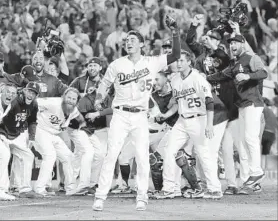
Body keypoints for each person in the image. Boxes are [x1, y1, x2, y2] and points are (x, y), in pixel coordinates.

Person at [92, 14, 181, 212]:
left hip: (140, 115)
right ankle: (100, 196)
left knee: (142, 156)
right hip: (120, 115)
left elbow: (175, 55)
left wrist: (175, 32)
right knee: (111, 154)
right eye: (126, 40)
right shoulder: (117, 64)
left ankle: (142, 197)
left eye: (132, 40)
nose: (128, 42)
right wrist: (99, 98)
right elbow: (104, 84)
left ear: (141, 44)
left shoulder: (152, 62)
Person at [154, 50, 223, 200]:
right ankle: (170, 188)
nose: (178, 63)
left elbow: (209, 102)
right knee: (169, 151)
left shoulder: (198, 79)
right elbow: (178, 104)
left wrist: (209, 125)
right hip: (182, 120)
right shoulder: (175, 80)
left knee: (204, 154)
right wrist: (165, 115)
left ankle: (214, 189)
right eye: (177, 61)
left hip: (199, 119)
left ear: (189, 62)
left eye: (181, 61)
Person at [207, 33, 268, 192]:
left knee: (250, 137)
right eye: (230, 44)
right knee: (243, 142)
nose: (232, 46)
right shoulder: (234, 64)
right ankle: (250, 177)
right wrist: (205, 77)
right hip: (242, 105)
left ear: (242, 44)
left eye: (235, 43)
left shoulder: (250, 57)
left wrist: (248, 75)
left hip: (253, 103)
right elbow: (221, 75)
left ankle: (257, 172)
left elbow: (263, 73)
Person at [0, 82, 41, 199]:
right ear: (24, 90)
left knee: (28, 155)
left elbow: (32, 121)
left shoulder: (34, 104)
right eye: (29, 91)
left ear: (36, 96)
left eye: (34, 93)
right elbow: (0, 118)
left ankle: (24, 189)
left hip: (16, 134)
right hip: (2, 132)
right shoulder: (14, 101)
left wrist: (31, 137)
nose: (31, 94)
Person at [33, 88, 83, 196]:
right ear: (64, 96)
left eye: (73, 99)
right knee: (50, 155)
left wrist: (82, 126)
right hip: (40, 130)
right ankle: (40, 188)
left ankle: (70, 188)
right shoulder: (53, 102)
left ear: (76, 102)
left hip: (54, 134)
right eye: (69, 97)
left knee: (68, 156)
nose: (70, 100)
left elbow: (81, 120)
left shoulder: (73, 110)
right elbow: (34, 103)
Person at [68, 80, 113, 196]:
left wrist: (96, 114)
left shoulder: (107, 98)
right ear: (96, 88)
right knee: (85, 154)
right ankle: (78, 185)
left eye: (106, 89)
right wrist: (89, 117)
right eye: (103, 88)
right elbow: (78, 118)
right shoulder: (86, 99)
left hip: (90, 130)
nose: (105, 91)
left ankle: (92, 184)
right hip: (79, 129)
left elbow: (113, 109)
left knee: (100, 155)